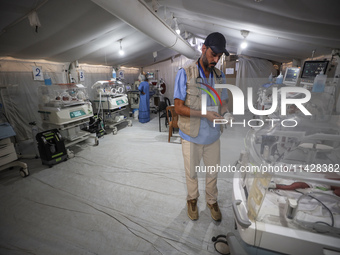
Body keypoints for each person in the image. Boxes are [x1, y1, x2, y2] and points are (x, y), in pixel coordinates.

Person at [174, 32, 230, 221]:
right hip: (191, 135)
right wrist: (204, 114)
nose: (216, 59)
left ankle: (212, 201)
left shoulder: (220, 76)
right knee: (192, 173)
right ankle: (192, 200)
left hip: (213, 136)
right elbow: (179, 108)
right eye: (213, 54)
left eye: (219, 56)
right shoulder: (186, 73)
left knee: (212, 172)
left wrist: (226, 113)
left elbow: (224, 102)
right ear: (203, 48)